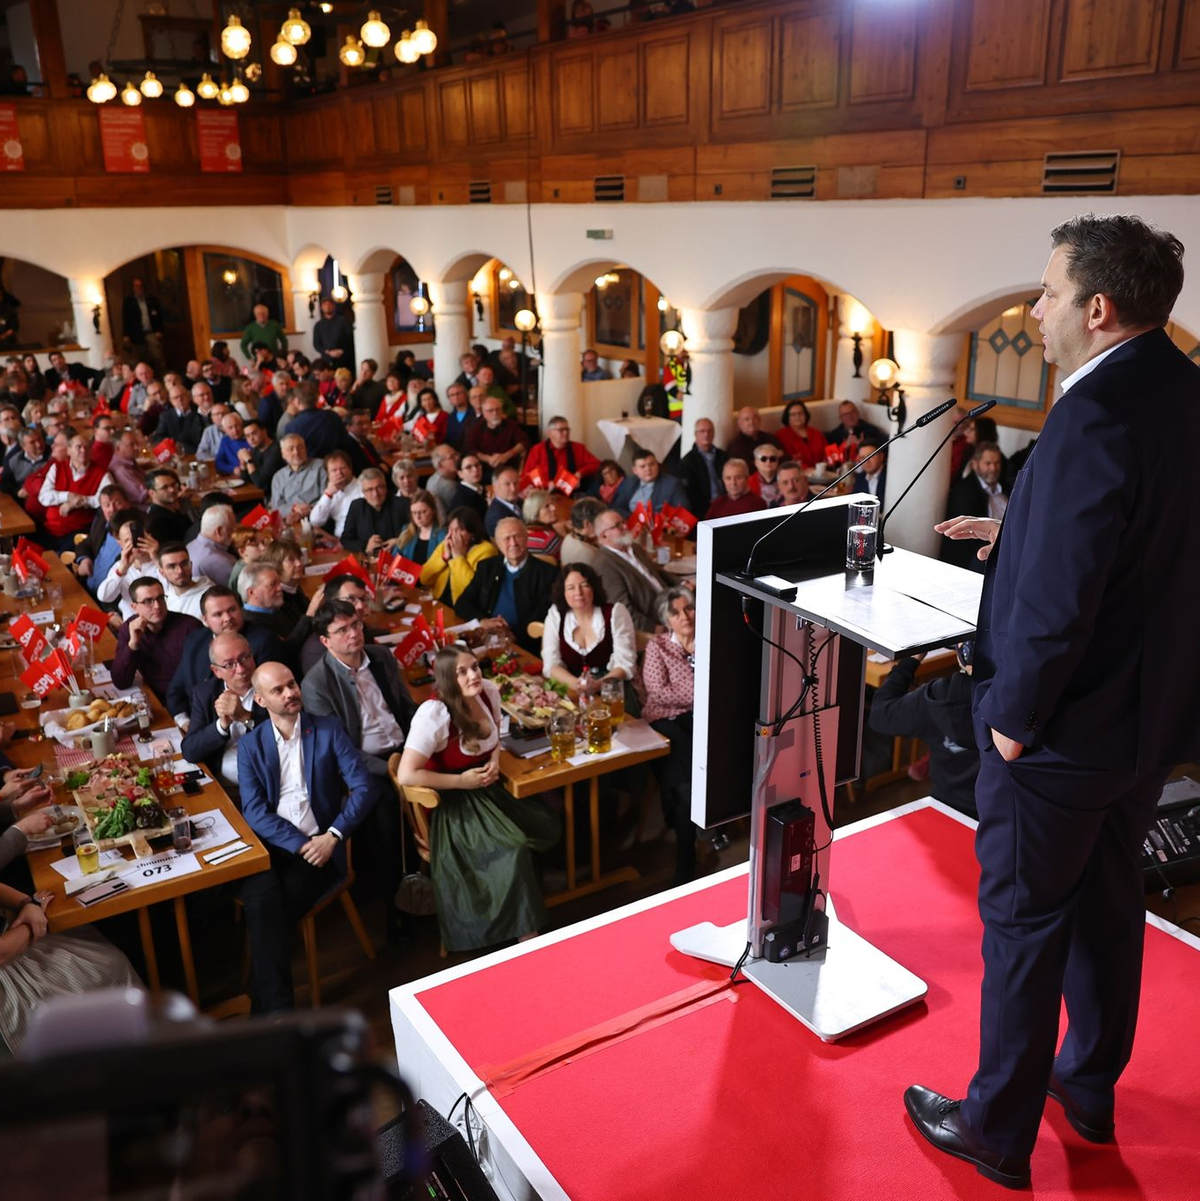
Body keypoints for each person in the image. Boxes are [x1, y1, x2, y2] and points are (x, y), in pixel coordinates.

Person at [910, 215, 1200, 1190]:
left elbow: (1065, 593)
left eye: (1045, 293)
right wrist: (1015, 539)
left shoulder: (1088, 416)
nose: (1033, 310)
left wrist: (1011, 718)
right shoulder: (1182, 395)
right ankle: (1086, 1087)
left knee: (1027, 925)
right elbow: (1151, 549)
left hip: (1059, 733)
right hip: (1144, 726)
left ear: (1097, 308)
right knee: (1112, 910)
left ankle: (995, 1128)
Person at [396, 647, 558, 953]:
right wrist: (460, 781)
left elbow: (496, 734)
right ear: (447, 678)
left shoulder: (488, 692)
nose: (473, 675)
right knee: (512, 848)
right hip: (452, 802)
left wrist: (494, 762)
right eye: (462, 671)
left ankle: (522, 905)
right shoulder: (435, 714)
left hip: (485, 789)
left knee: (545, 821)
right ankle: (527, 937)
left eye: (474, 667)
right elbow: (406, 774)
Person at [237, 662, 374, 1013]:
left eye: (292, 684)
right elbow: (254, 811)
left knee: (267, 914)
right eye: (278, 690)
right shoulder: (251, 745)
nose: (291, 692)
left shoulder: (327, 730)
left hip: (321, 849)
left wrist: (332, 836)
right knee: (265, 907)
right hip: (271, 848)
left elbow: (363, 787)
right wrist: (297, 843)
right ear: (261, 701)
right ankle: (278, 1011)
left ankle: (269, 1012)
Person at [301, 600, 416, 936]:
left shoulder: (380, 657)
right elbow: (342, 750)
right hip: (364, 766)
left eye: (355, 625)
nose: (353, 634)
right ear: (325, 641)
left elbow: (405, 707)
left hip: (403, 749)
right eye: (342, 630)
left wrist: (423, 741)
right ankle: (396, 904)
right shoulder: (316, 683)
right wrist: (390, 769)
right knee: (386, 810)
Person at [0, 883, 141, 1054]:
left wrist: (27, 904)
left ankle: (139, 1043)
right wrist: (34, 921)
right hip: (8, 963)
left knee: (109, 961)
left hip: (15, 936)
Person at [868, 645, 979, 819]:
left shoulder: (939, 696)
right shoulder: (1023, 698)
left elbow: (880, 715)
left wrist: (909, 662)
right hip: (1006, 818)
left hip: (944, 807)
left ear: (965, 653)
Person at [638, 584, 700, 883]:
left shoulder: (710, 641)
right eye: (676, 613)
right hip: (662, 720)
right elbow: (657, 692)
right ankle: (687, 853)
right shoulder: (658, 646)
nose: (685, 616)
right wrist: (700, 691)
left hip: (699, 719)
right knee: (685, 754)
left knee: (685, 770)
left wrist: (694, 696)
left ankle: (679, 819)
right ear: (667, 620)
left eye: (688, 608)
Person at [167, 584, 283, 727]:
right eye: (218, 614)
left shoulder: (263, 642)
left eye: (232, 610)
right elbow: (176, 689)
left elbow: (273, 700)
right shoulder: (195, 639)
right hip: (197, 727)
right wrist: (184, 722)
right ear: (205, 620)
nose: (227, 618)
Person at [453, 518, 557, 653]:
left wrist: (511, 635)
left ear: (527, 537)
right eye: (506, 539)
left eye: (517, 536)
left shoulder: (548, 573)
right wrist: (483, 621)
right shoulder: (487, 567)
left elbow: (541, 616)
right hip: (485, 638)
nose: (513, 543)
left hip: (521, 645)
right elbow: (462, 602)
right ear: (498, 544)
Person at [179, 632, 267, 791]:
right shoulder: (205, 693)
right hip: (223, 786)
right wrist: (222, 724)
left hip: (266, 784)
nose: (240, 669)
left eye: (244, 658)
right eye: (229, 665)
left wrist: (246, 717)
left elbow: (284, 737)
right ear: (216, 671)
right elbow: (190, 751)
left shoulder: (270, 685)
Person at [541, 562, 636, 695]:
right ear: (563, 592)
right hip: (571, 688)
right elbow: (551, 664)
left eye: (584, 585)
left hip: (612, 690)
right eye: (570, 588)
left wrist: (598, 685)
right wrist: (576, 684)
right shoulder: (556, 615)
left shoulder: (615, 613)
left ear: (594, 587)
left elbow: (626, 664)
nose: (578, 592)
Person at [112, 576, 202, 697]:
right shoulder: (129, 628)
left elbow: (199, 678)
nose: (157, 606)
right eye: (148, 601)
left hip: (186, 698)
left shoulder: (190, 627)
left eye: (160, 598)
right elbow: (120, 682)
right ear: (134, 607)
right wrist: (133, 644)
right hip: (152, 696)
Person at [592, 507, 675, 633]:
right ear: (604, 536)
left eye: (623, 522)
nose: (625, 527)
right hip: (658, 618)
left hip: (672, 601)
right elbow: (622, 609)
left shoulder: (633, 547)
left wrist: (683, 583)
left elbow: (657, 571)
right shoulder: (604, 564)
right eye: (617, 526)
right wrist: (654, 629)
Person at [943, 441, 1008, 571]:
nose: (993, 468)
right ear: (975, 464)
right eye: (988, 463)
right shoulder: (965, 492)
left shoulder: (1008, 487)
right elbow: (966, 543)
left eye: (997, 463)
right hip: (982, 557)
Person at [37, 432, 112, 544]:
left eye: (87, 447)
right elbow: (44, 496)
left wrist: (77, 502)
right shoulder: (57, 468)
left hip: (79, 531)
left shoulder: (102, 473)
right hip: (50, 528)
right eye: (79, 447)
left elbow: (106, 500)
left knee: (60, 556)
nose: (83, 450)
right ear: (68, 450)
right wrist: (68, 496)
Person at [418, 506, 498, 607]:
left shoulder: (486, 551)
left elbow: (473, 591)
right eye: (451, 529)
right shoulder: (445, 544)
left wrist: (458, 557)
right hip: (438, 603)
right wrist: (444, 558)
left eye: (460, 530)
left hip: (463, 609)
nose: (453, 535)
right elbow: (423, 578)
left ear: (472, 533)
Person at [520, 415, 602, 493]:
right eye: (561, 430)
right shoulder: (537, 450)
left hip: (574, 492)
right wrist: (547, 484)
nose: (566, 433)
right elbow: (527, 477)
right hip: (546, 493)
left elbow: (597, 464)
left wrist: (579, 473)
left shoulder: (578, 448)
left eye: (567, 429)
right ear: (550, 433)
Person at [340, 467, 409, 553]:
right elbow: (346, 540)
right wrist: (366, 546)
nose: (375, 494)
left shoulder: (402, 504)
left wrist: (399, 541)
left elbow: (418, 533)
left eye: (379, 487)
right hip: (369, 559)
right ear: (363, 492)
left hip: (399, 557)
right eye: (369, 489)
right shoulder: (357, 507)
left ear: (386, 487)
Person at [464, 397, 530, 483]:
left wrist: (506, 456)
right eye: (490, 411)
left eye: (498, 409)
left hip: (508, 467)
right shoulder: (476, 428)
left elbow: (524, 442)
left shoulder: (511, 425)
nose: (495, 413)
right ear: (483, 413)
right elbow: (471, 449)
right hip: (484, 469)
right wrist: (487, 458)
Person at [611, 448, 689, 517]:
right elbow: (617, 507)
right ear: (635, 470)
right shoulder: (629, 482)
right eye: (642, 466)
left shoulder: (672, 484)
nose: (648, 469)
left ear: (657, 465)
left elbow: (683, 511)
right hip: (631, 526)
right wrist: (634, 519)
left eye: (651, 464)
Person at [269, 433, 326, 521]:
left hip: (317, 517)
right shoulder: (278, 477)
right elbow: (276, 508)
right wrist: (294, 508)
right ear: (283, 454)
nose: (296, 452)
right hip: (290, 520)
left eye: (300, 447)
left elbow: (329, 497)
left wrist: (309, 509)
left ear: (306, 449)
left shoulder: (321, 467)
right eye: (291, 449)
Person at [308, 449, 361, 540]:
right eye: (334, 470)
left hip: (358, 539)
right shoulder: (330, 493)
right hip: (337, 539)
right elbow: (315, 521)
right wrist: (328, 494)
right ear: (328, 474)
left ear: (350, 468)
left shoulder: (362, 488)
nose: (339, 473)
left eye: (343, 468)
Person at [679, 418, 727, 518]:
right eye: (702, 431)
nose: (706, 434)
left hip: (726, 503)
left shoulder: (723, 456)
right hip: (704, 509)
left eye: (710, 431)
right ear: (695, 434)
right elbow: (691, 494)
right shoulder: (688, 461)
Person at [186, 504, 236, 587]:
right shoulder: (218, 560)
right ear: (219, 531)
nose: (235, 534)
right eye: (232, 529)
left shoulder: (190, 545)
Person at [121, 278, 164, 369]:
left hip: (151, 333)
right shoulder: (129, 302)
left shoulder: (151, 300)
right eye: (136, 286)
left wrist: (159, 330)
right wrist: (126, 335)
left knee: (157, 357)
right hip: (137, 334)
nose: (139, 288)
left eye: (140, 286)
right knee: (141, 359)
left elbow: (159, 316)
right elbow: (125, 318)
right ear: (133, 288)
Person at [393, 489, 443, 565]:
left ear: (433, 511)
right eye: (414, 513)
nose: (418, 517)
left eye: (423, 512)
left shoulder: (442, 534)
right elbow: (394, 558)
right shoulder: (407, 530)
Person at [774, 400, 828, 469]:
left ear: (806, 415)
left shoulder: (817, 433)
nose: (797, 416)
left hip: (822, 473)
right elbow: (785, 460)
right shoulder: (780, 436)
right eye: (793, 414)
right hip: (797, 473)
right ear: (787, 418)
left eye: (800, 413)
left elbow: (827, 454)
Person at [155, 385, 206, 456]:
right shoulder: (165, 416)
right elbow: (159, 438)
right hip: (175, 455)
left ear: (188, 396)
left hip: (197, 453)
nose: (180, 400)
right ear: (171, 401)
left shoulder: (199, 412)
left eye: (182, 396)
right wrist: (172, 445)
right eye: (176, 398)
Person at [522, 491, 567, 559]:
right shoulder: (549, 539)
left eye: (552, 504)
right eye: (547, 506)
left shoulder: (523, 532)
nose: (553, 508)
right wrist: (565, 535)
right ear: (535, 513)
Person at [484, 463, 524, 539]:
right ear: (495, 487)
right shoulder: (496, 516)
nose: (513, 488)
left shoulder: (520, 502)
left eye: (515, 483)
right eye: (507, 484)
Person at [312, 297, 354, 363]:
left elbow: (350, 338)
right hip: (327, 359)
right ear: (321, 307)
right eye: (325, 305)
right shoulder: (318, 325)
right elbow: (316, 343)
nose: (327, 306)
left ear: (333, 307)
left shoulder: (343, 321)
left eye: (329, 304)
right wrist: (328, 352)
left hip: (344, 357)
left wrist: (342, 350)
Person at [449, 452, 488, 519]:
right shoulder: (461, 500)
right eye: (468, 467)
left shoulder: (481, 488)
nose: (475, 470)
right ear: (460, 474)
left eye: (477, 465)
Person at [426, 444, 461, 514]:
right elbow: (461, 511)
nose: (457, 458)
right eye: (452, 457)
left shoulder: (433, 478)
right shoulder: (448, 487)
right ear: (440, 465)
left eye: (456, 454)